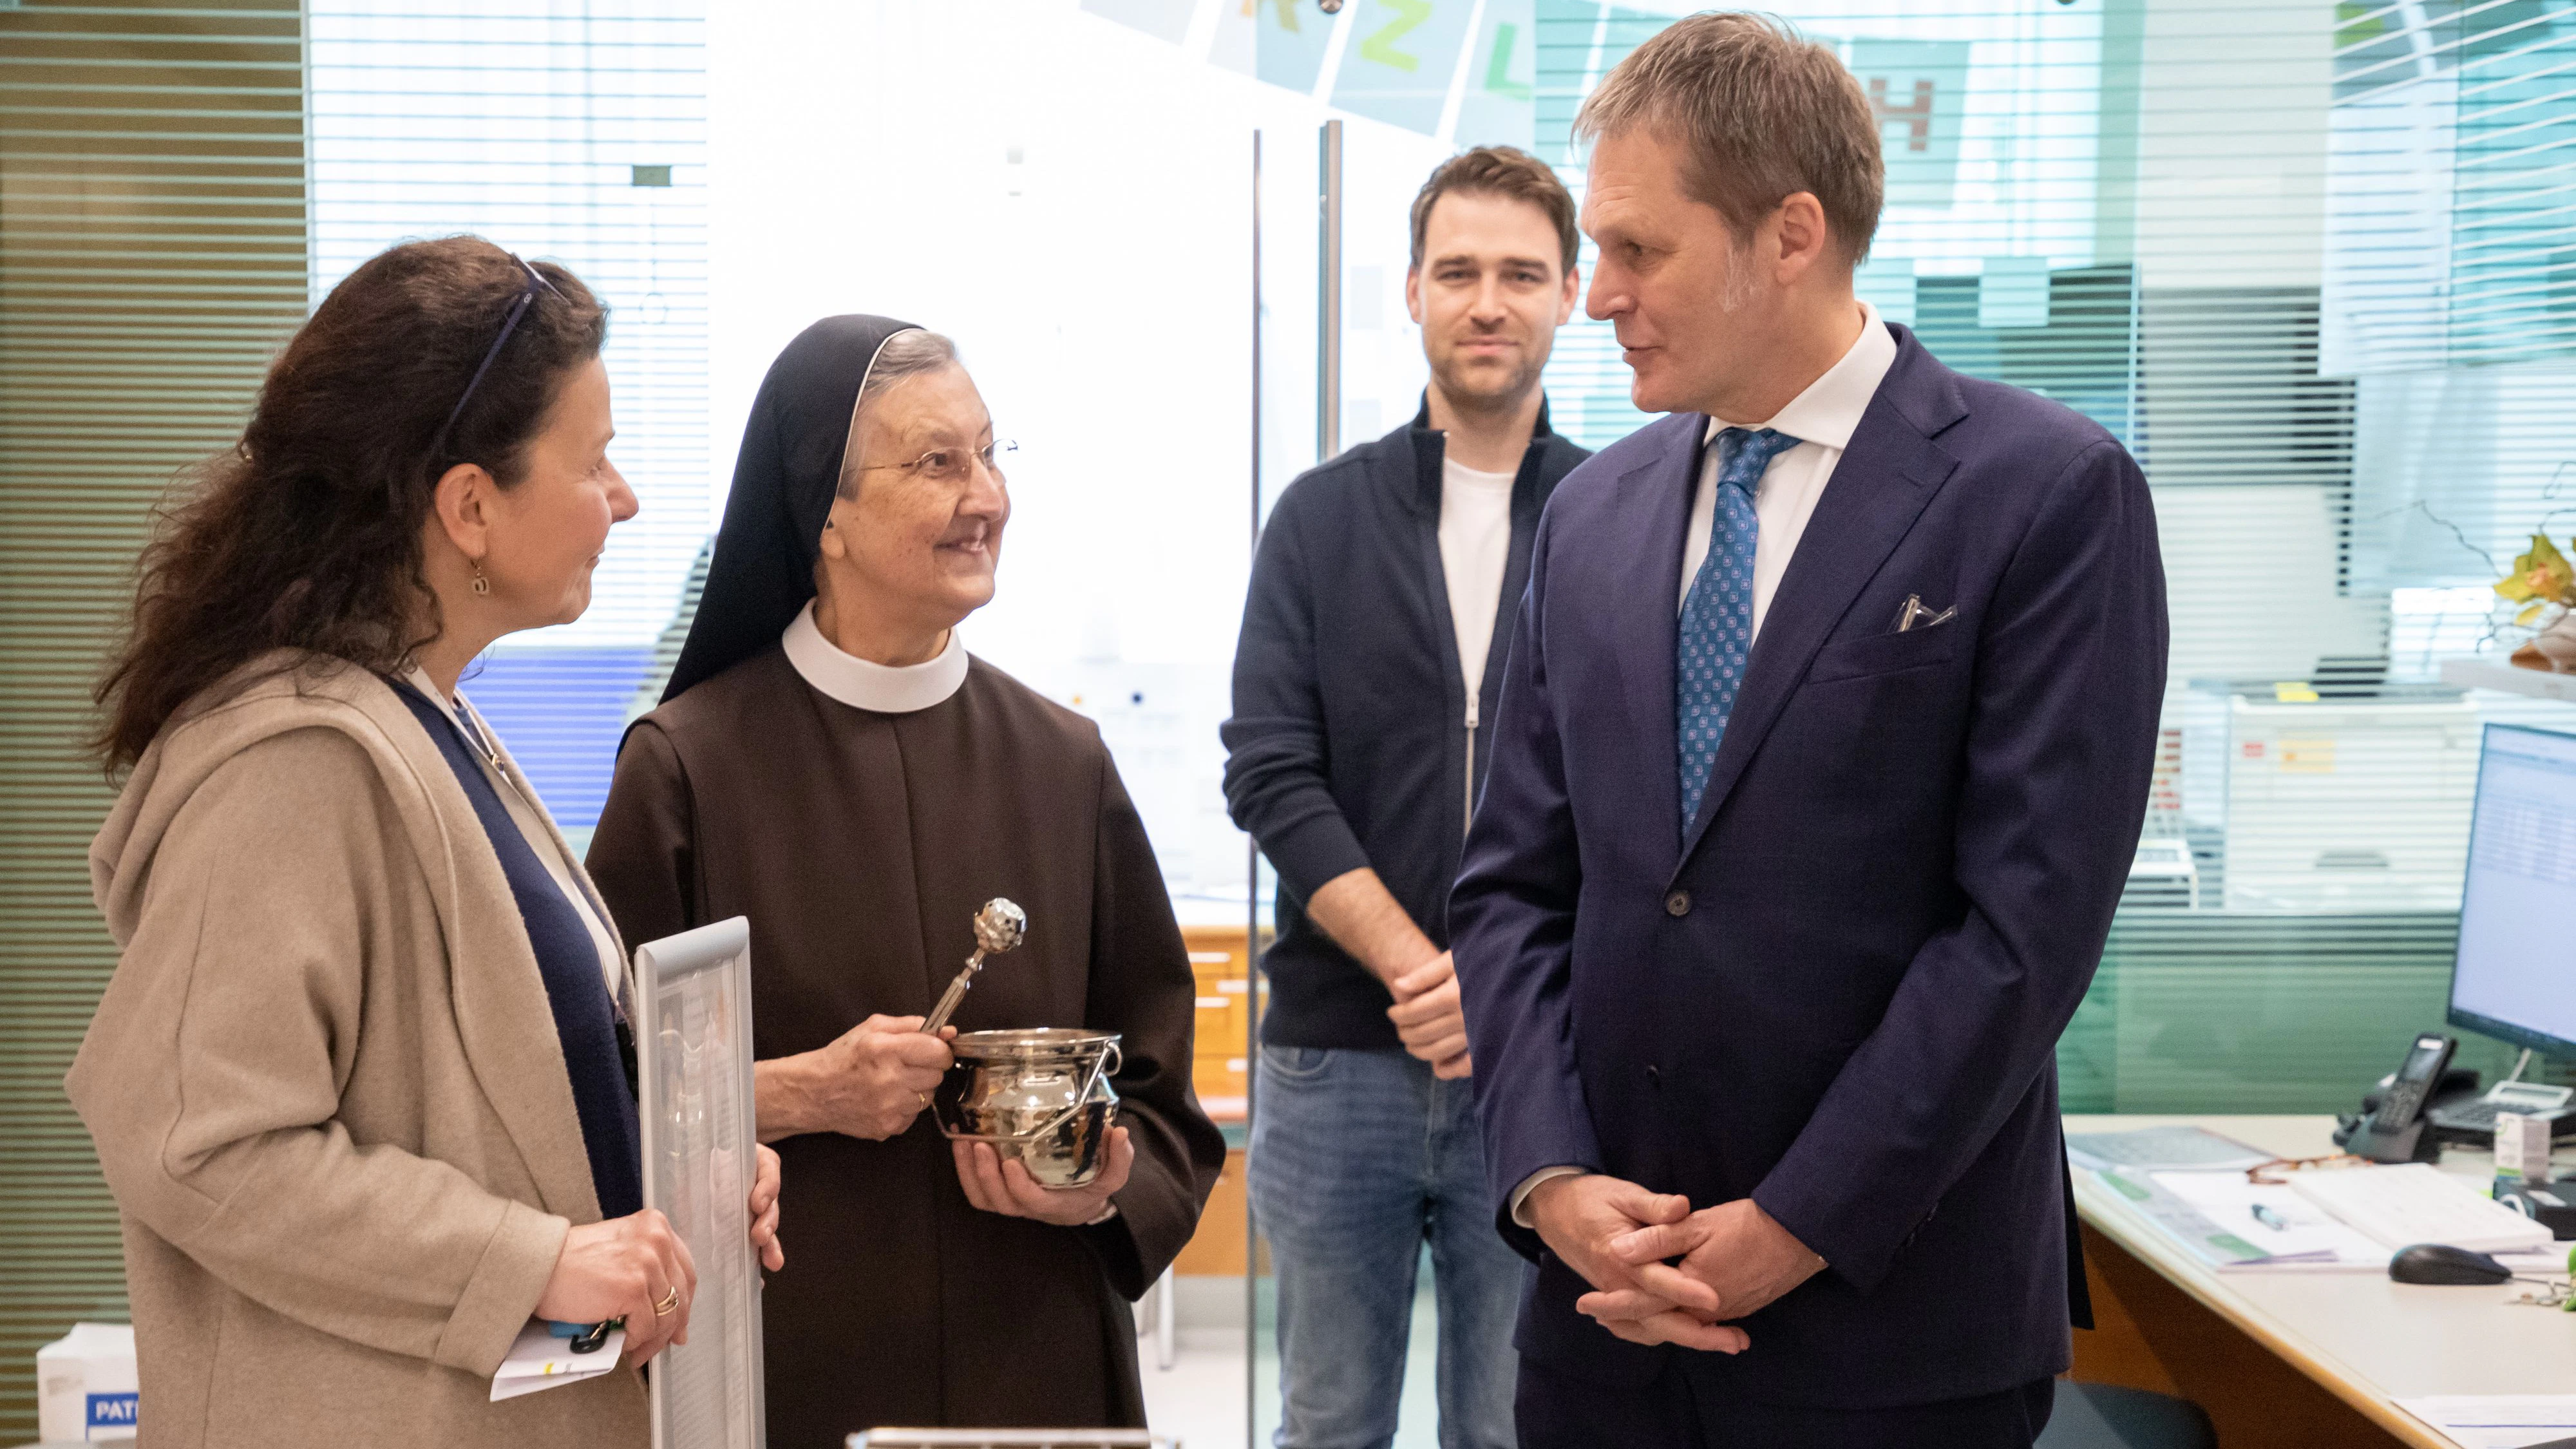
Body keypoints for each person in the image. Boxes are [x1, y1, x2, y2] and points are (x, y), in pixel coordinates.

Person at [1450, 15, 2169, 1448]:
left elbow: (2020, 934)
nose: (1594, 298)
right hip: (1599, 1330)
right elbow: (1513, 884)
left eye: (1637, 251)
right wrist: (1546, 1180)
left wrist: (1795, 1222)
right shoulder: (1590, 513)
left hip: (1889, 1330)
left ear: (1789, 234)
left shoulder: (2043, 494)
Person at [68, 236, 786, 1449]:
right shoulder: (294, 760)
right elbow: (199, 1143)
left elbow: (494, 1106)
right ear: (468, 506)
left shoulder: (424, 714)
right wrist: (537, 1261)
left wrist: (677, 1177)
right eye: (595, 461)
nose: (624, 499)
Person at [585, 317, 1225, 1446]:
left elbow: (1163, 1094)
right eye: (938, 463)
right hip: (787, 1357)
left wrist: (1105, 1185)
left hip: (1036, 1357)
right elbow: (591, 1093)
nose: (987, 495)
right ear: (823, 512)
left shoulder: (1063, 763)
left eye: (991, 454)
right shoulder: (687, 765)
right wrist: (804, 1090)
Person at [1222, 146, 1589, 1449]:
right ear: (1413, 293)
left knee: (1510, 1425)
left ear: (1567, 292)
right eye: (1457, 272)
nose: (1486, 301)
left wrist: (1499, 986)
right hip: (1335, 1060)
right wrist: (1416, 967)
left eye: (1518, 273)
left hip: (1540, 1067)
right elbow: (1269, 770)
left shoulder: (1625, 518)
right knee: (1326, 1423)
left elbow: (1647, 801)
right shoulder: (1318, 521)